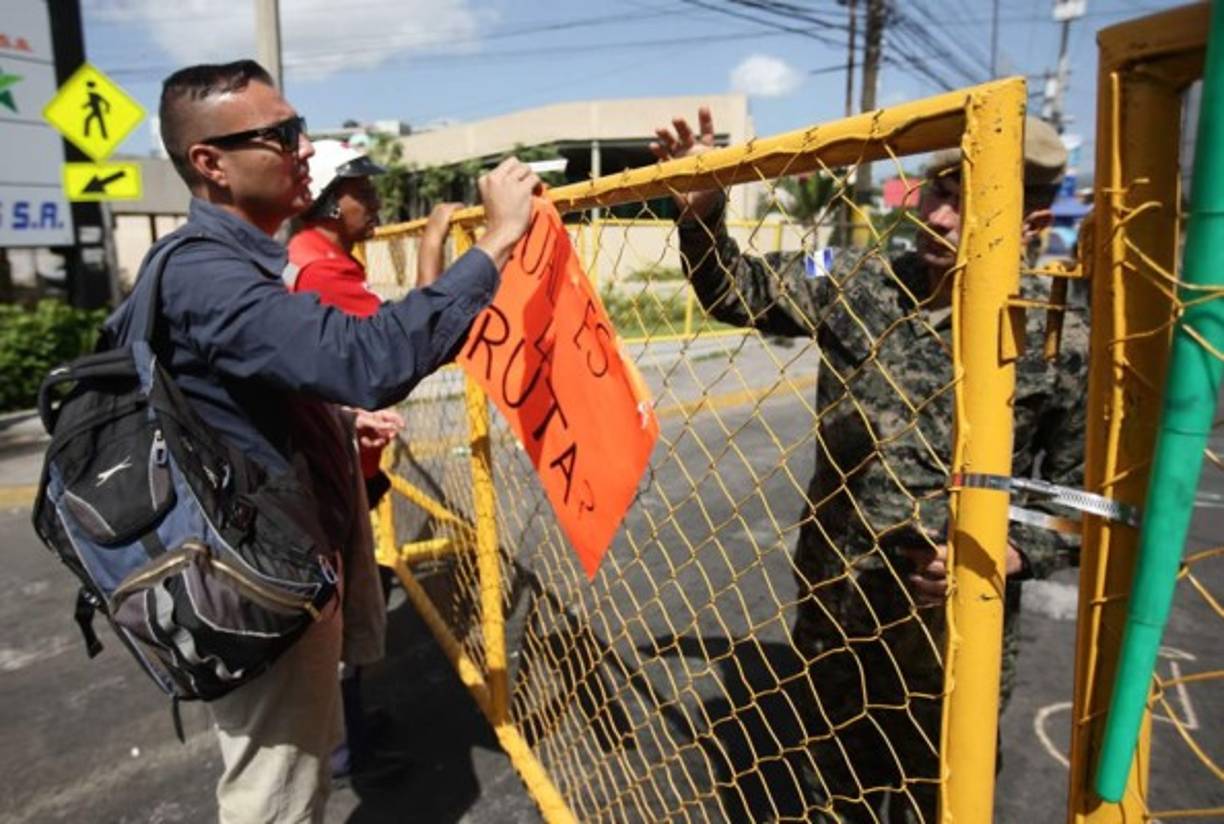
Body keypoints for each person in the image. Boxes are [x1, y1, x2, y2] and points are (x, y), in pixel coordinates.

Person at [109, 60, 538, 823]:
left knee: (295, 771)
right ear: (210, 162)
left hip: (265, 553)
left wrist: (332, 420)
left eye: (299, 128)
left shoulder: (227, 264)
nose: (304, 147)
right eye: (280, 135)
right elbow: (367, 359)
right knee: (274, 795)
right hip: (253, 576)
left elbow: (232, 396)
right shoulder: (206, 274)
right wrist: (498, 239)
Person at [651, 108, 1087, 822]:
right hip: (835, 592)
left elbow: (1074, 499)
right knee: (830, 771)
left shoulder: (1058, 337)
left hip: (947, 623)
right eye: (938, 191)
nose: (938, 218)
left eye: (968, 202)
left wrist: (1008, 552)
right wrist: (702, 216)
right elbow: (741, 288)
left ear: (1032, 221)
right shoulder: (854, 271)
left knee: (939, 784)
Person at [285, 139, 463, 784]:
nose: (376, 201)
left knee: (341, 612)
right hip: (334, 479)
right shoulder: (320, 270)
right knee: (340, 618)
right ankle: (345, 750)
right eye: (363, 189)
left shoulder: (317, 257)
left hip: (333, 467)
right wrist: (434, 240)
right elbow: (410, 342)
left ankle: (346, 733)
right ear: (331, 202)